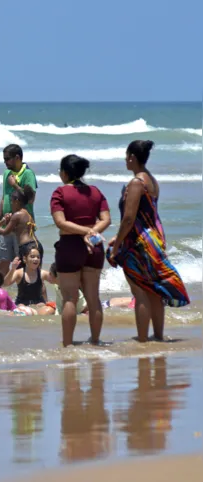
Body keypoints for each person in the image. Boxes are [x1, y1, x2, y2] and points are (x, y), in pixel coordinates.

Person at [107, 140, 190, 342]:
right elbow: (146, 217)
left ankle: (142, 340)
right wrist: (116, 237)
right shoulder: (151, 181)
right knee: (154, 290)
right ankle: (158, 337)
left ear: (132, 158)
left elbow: (128, 219)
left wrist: (117, 245)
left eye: (126, 156)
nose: (125, 160)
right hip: (153, 239)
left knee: (140, 290)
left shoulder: (136, 183)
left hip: (138, 243)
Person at [50, 154, 111, 347]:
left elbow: (61, 222)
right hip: (94, 246)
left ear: (65, 173)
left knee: (69, 298)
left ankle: (67, 345)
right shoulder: (95, 192)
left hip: (70, 246)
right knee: (93, 298)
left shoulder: (60, 193)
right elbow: (106, 219)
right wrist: (90, 231)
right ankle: (95, 340)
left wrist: (84, 231)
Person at [0, 144, 38, 276]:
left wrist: (15, 185)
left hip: (22, 228)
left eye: (8, 159)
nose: (5, 162)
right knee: (3, 262)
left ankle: (22, 292)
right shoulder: (7, 173)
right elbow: (4, 198)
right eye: (4, 159)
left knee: (22, 263)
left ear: (17, 157)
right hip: (6, 223)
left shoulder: (28, 174)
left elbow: (30, 199)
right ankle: (4, 293)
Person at [0, 185, 43, 262]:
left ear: (17, 201)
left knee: (22, 272)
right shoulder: (27, 213)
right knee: (33, 273)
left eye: (12, 201)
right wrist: (7, 221)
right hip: (36, 245)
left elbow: (5, 232)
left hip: (27, 247)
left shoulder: (17, 215)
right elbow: (18, 231)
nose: (11, 204)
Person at [3, 247, 56, 316]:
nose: (36, 259)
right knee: (20, 308)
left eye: (38, 257)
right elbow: (5, 284)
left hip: (39, 305)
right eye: (32, 256)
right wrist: (12, 269)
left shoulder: (42, 274)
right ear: (25, 259)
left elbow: (56, 281)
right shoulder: (19, 273)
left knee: (48, 309)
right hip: (22, 305)